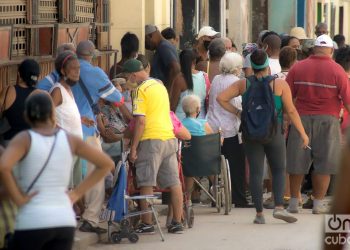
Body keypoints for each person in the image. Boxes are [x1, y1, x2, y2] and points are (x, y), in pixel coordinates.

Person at [0, 93, 114, 250]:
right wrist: (76, 193)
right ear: (53, 114)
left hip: (32, 219)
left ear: (26, 116)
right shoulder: (69, 139)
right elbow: (106, 164)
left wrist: (18, 199)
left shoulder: (24, 139)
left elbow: (4, 167)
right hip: (63, 220)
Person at [217, 49, 309, 224]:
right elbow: (291, 110)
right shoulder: (279, 85)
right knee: (279, 169)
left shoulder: (243, 84)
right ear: (267, 65)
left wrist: (238, 112)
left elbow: (221, 98)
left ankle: (259, 214)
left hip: (251, 133)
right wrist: (303, 133)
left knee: (256, 172)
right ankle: (279, 207)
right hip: (274, 132)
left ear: (251, 66)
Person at [286, 35, 350, 214]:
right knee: (324, 164)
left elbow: (286, 96)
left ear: (314, 49)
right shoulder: (338, 71)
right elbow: (348, 101)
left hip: (301, 119)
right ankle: (318, 204)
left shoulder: (297, 68)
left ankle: (293, 203)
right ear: (330, 50)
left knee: (297, 161)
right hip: (328, 122)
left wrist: (285, 119)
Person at [125, 58, 184, 234]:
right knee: (174, 182)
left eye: (128, 76)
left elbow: (140, 121)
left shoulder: (138, 91)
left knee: (146, 181)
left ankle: (147, 222)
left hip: (151, 140)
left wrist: (134, 148)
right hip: (168, 138)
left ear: (134, 74)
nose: (128, 79)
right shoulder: (160, 86)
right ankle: (176, 222)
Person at [72, 40, 124, 233]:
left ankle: (72, 214)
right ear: (92, 55)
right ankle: (91, 218)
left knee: (71, 176)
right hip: (87, 133)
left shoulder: (62, 71)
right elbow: (117, 99)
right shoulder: (95, 73)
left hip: (65, 132)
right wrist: (117, 89)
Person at [207, 52, 252, 208]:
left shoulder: (216, 79)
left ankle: (216, 197)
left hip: (212, 126)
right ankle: (238, 198)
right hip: (230, 128)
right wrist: (239, 113)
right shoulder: (236, 81)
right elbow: (239, 103)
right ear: (236, 68)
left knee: (215, 164)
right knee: (236, 165)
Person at [50, 51, 84, 188]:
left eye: (78, 68)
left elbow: (64, 115)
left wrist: (81, 120)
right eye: (73, 69)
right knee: (67, 188)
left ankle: (81, 209)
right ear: (63, 70)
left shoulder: (68, 89)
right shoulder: (57, 90)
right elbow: (47, 117)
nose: (77, 72)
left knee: (75, 187)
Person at [2, 59, 40, 144]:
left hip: (9, 144)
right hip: (32, 144)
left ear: (19, 74)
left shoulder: (8, 90)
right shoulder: (42, 95)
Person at [170, 49, 208, 120]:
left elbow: (172, 105)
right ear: (194, 61)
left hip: (181, 122)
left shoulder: (179, 79)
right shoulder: (204, 76)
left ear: (180, 62)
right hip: (200, 121)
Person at [145, 24, 180, 91]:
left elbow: (176, 68)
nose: (146, 47)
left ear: (150, 36)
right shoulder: (162, 46)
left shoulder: (163, 46)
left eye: (146, 42)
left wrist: (168, 91)